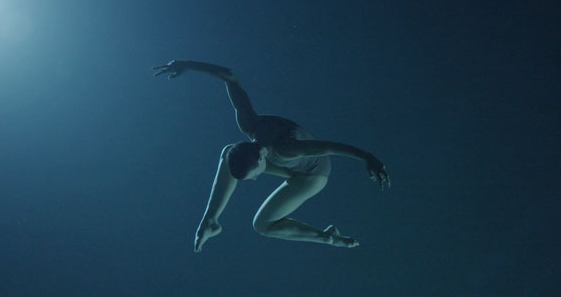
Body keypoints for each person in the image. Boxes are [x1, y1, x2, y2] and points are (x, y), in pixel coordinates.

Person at [152, 60, 390, 252]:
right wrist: (187, 64)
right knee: (227, 153)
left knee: (262, 225)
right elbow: (230, 77)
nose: (256, 179)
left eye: (253, 176)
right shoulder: (249, 124)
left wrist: (369, 157)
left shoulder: (287, 149)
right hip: (287, 166)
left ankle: (329, 238)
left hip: (312, 177)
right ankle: (210, 221)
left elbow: (330, 147)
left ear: (258, 161)